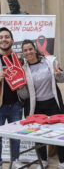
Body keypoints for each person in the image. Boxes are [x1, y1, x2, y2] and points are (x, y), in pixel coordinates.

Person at [18, 39, 64, 169]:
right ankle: (42, 160)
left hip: (53, 103)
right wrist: (20, 88)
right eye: (25, 50)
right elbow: (24, 96)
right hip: (36, 106)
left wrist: (59, 74)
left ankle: (63, 162)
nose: (28, 52)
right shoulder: (23, 69)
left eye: (30, 49)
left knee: (60, 132)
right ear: (23, 53)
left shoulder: (49, 62)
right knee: (38, 134)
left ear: (35, 49)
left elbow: (63, 79)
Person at [0, 27, 24, 169]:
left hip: (16, 104)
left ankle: (15, 161)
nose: (4, 39)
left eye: (7, 36)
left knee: (16, 135)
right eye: (1, 37)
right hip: (0, 105)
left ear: (12, 40)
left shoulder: (18, 59)